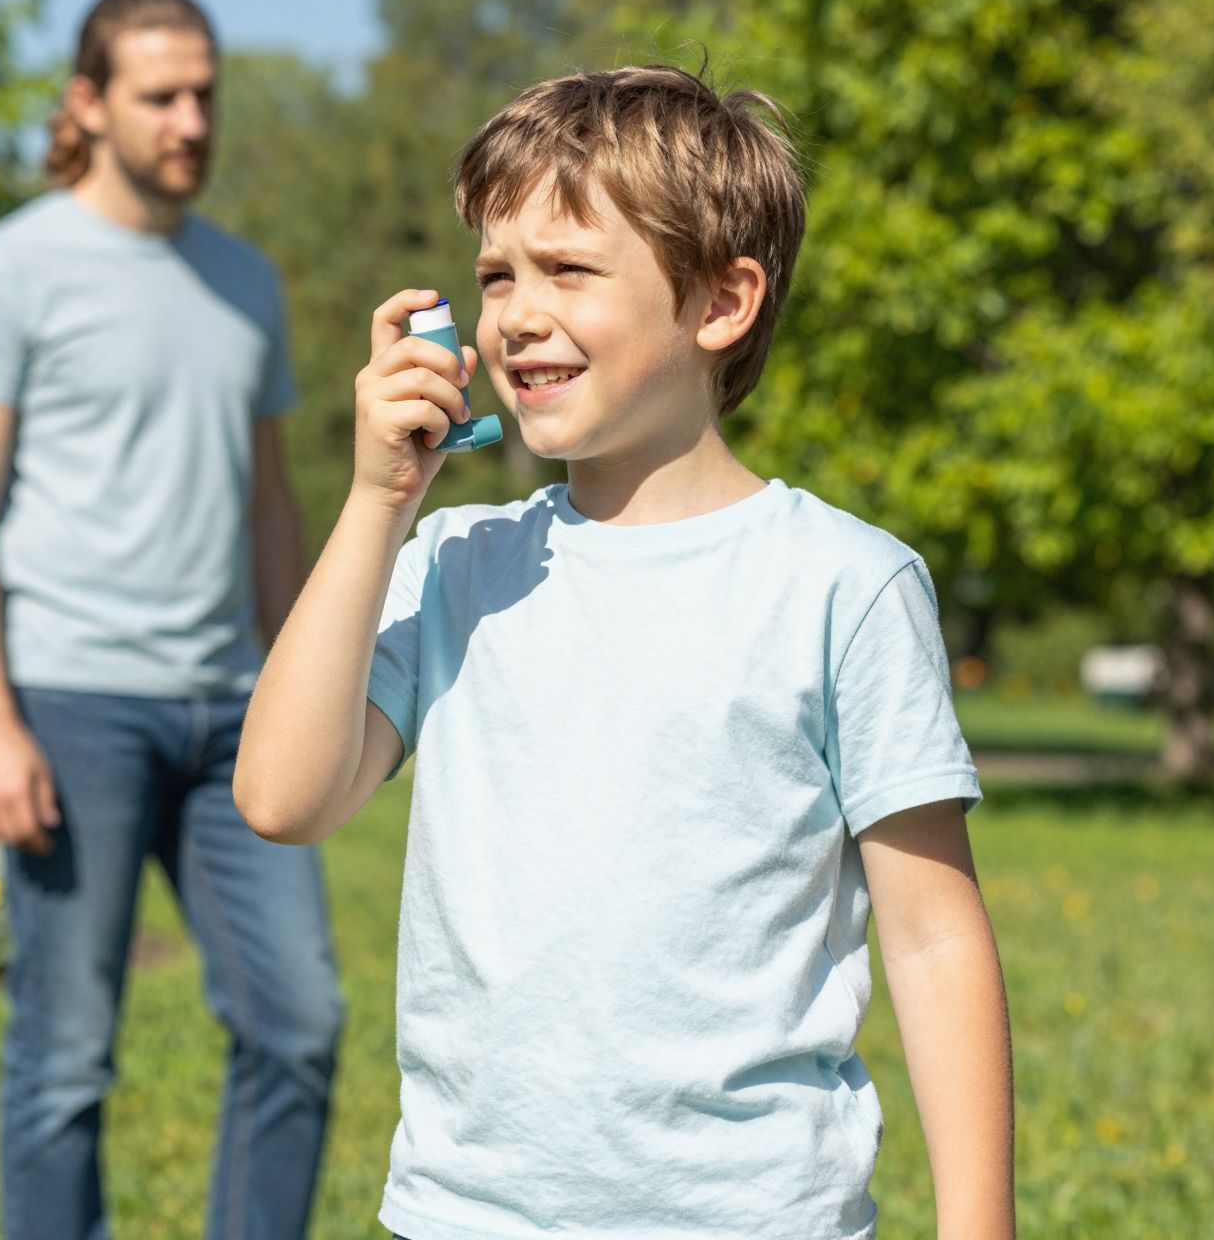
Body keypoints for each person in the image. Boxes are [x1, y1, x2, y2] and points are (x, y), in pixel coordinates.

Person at [236, 64, 1015, 1240]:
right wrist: (374, 503)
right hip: (466, 1217)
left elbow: (931, 934)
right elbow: (281, 796)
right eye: (496, 273)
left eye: (567, 269)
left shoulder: (840, 586)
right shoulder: (453, 562)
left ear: (720, 302)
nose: (514, 314)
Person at [0, 0, 341, 1240]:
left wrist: (295, 686)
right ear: (88, 105)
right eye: (161, 95)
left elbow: (270, 508)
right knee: (64, 1053)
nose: (191, 119)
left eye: (205, 92)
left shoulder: (243, 281)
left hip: (230, 718)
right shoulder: (4, 272)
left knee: (300, 1021)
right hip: (71, 702)